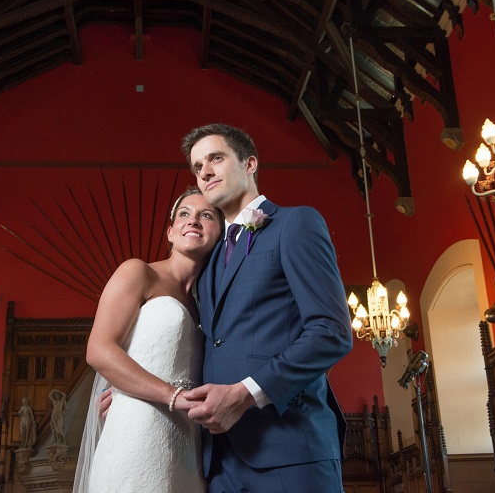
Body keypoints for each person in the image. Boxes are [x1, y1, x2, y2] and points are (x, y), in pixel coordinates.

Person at [176, 123, 353, 492]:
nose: (204, 171)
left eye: (216, 158)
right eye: (196, 166)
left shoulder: (295, 223)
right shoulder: (207, 258)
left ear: (250, 163)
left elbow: (331, 332)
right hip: (219, 459)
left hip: (291, 449)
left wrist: (244, 394)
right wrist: (138, 394)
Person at [74, 187, 223, 493]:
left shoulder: (207, 306)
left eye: (205, 215)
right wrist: (172, 396)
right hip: (137, 431)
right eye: (184, 214)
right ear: (170, 232)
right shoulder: (138, 272)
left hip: (188, 443)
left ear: (220, 233)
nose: (193, 220)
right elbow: (99, 350)